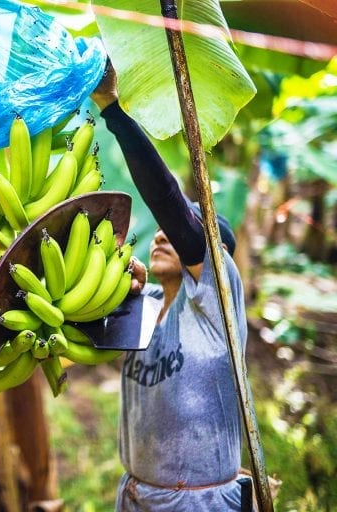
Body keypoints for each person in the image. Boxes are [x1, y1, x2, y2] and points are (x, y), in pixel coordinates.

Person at [90, 63, 250, 510]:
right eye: (162, 231)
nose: (162, 234)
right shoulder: (147, 304)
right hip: (135, 494)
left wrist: (113, 110)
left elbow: (171, 209)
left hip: (197, 503)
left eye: (180, 231)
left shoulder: (217, 298)